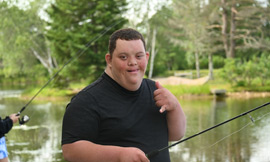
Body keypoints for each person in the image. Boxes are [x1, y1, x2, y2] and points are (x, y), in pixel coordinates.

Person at [61, 28, 186, 162]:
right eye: (123, 57)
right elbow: (70, 150)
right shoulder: (86, 100)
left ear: (147, 57)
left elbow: (176, 135)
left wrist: (174, 106)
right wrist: (119, 155)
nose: (133, 62)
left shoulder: (156, 90)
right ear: (109, 60)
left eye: (139, 56)